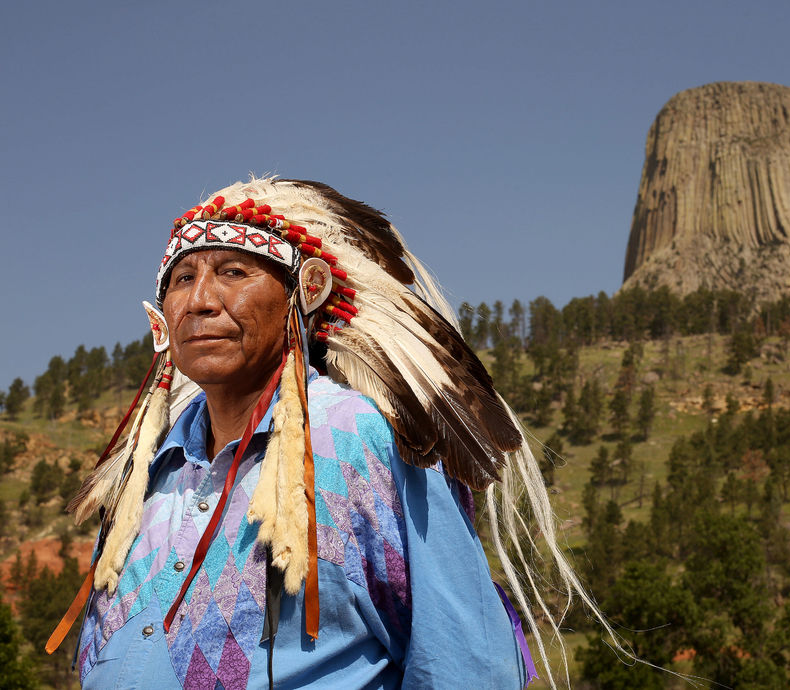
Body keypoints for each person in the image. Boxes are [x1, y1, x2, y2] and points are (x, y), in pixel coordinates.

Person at [47, 177, 613, 689]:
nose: (200, 300)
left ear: (306, 291)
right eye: (182, 278)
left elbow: (467, 665)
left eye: (234, 272)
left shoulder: (361, 439)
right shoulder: (143, 469)